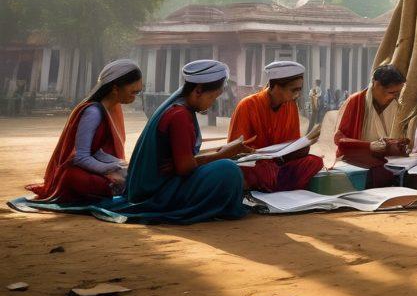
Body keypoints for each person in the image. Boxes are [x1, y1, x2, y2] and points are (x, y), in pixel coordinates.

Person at [106, 59, 252, 223]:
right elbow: (185, 168)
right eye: (212, 97)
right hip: (160, 191)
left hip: (160, 183)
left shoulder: (179, 108)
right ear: (197, 91)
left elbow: (182, 161)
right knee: (229, 169)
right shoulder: (179, 115)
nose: (212, 103)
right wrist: (223, 154)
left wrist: (223, 151)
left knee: (227, 166)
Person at [24, 59, 143, 206]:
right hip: (78, 171)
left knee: (135, 176)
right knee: (128, 183)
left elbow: (97, 152)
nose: (134, 97)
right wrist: (111, 169)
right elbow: (81, 158)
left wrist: (119, 165)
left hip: (96, 168)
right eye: (133, 92)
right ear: (115, 88)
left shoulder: (112, 109)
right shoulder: (93, 112)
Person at [227, 60, 323, 193]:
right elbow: (235, 152)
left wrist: (301, 149)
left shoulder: (291, 107)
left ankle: (275, 186)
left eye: (299, 90)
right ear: (276, 87)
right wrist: (260, 154)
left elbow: (292, 144)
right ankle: (280, 186)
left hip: (280, 165)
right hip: (256, 165)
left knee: (314, 162)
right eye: (294, 90)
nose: (298, 95)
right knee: (264, 172)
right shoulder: (247, 105)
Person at [334, 64, 408, 186]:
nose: (395, 97)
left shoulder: (395, 105)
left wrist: (395, 144)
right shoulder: (356, 101)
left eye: (397, 93)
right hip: (356, 160)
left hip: (385, 159)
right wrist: (369, 146)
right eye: (391, 92)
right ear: (376, 84)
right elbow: (339, 139)